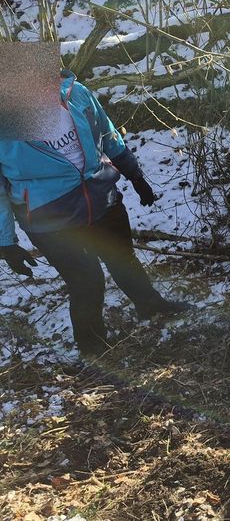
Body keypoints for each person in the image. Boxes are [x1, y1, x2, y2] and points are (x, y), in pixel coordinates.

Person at [0, 71, 190, 356]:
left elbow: (109, 136)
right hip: (49, 217)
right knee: (86, 281)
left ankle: (150, 306)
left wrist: (135, 175)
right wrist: (6, 242)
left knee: (123, 258)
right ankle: (92, 348)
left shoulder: (76, 93)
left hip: (102, 197)